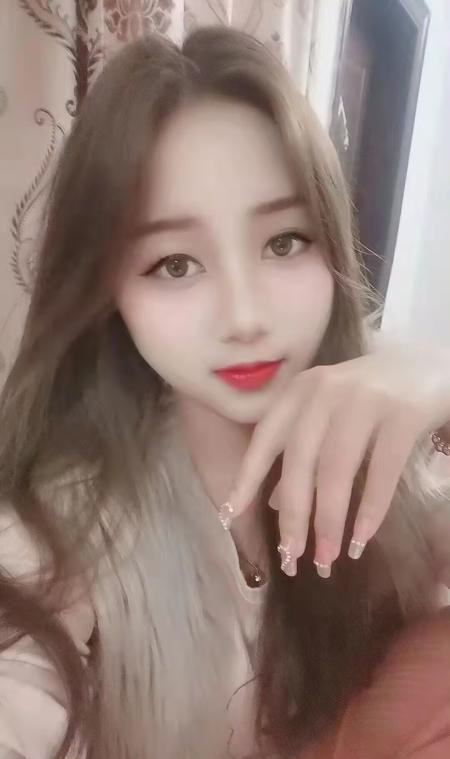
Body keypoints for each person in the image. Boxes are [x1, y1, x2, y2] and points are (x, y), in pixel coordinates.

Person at [0, 25, 450, 759]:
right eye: (175, 264)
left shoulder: (399, 473)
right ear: (108, 289)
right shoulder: (58, 532)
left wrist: (444, 379)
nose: (244, 316)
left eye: (283, 242)